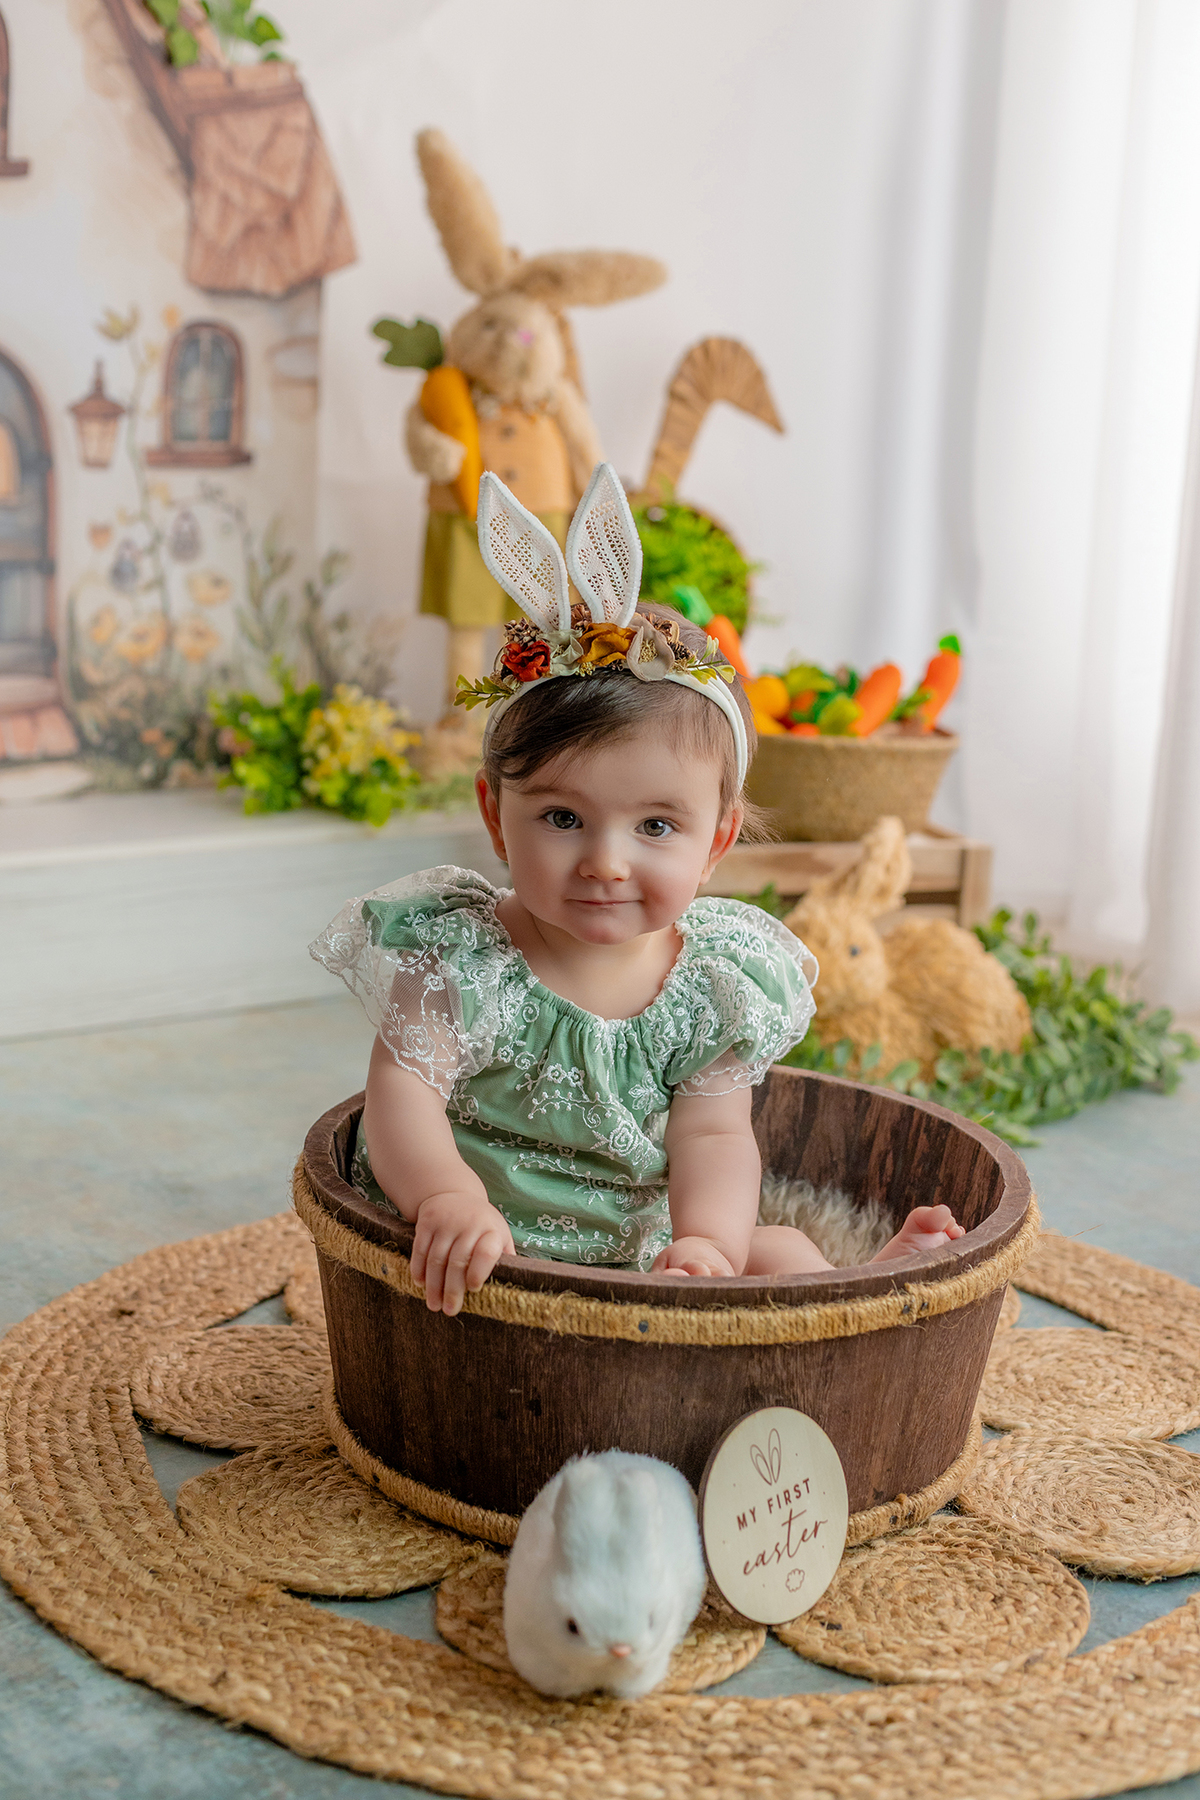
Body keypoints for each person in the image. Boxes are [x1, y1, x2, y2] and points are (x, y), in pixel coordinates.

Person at [310, 465, 964, 1315]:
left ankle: (869, 1291)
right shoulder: (462, 954)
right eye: (561, 818)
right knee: (472, 1262)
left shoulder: (708, 982)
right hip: (488, 1252)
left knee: (787, 1251)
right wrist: (444, 1196)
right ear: (495, 814)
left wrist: (704, 1246)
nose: (606, 863)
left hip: (640, 1251)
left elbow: (715, 1137)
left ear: (716, 842)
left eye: (655, 827)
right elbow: (400, 1099)